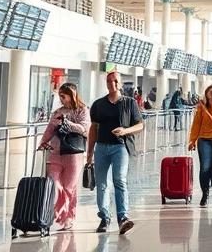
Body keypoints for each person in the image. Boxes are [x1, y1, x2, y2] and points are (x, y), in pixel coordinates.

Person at [87, 72, 144, 235]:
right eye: (109, 81)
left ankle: (123, 217)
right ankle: (104, 217)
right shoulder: (98, 105)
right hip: (102, 147)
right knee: (102, 183)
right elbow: (94, 129)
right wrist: (89, 153)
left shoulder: (129, 103)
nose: (112, 83)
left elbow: (140, 125)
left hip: (120, 146)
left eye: (115, 81)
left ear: (120, 84)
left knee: (119, 179)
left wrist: (125, 131)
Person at [37, 83, 91, 231]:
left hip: (73, 153)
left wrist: (67, 122)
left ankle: (69, 217)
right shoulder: (57, 111)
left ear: (72, 94)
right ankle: (59, 212)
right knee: (54, 184)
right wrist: (43, 142)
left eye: (63, 96)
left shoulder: (83, 110)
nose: (61, 99)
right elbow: (50, 129)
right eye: (60, 96)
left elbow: (85, 129)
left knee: (69, 187)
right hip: (55, 152)